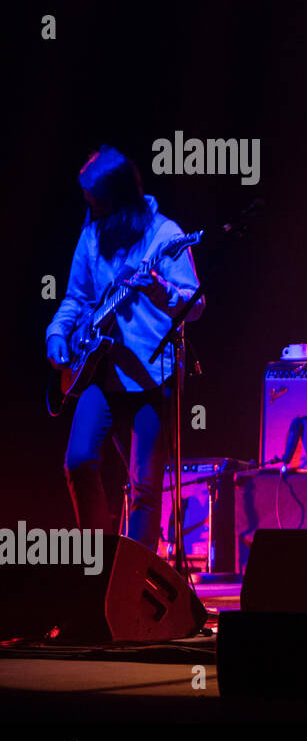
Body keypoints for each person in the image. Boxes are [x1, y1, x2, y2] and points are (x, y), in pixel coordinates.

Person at [46, 147, 204, 550]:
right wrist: (57, 334)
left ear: (116, 198)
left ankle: (132, 584)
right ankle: (98, 561)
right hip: (102, 369)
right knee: (79, 460)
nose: (90, 210)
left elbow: (196, 304)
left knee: (144, 489)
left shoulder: (165, 236)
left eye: (96, 202)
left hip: (153, 376)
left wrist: (159, 289)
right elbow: (76, 298)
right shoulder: (91, 235)